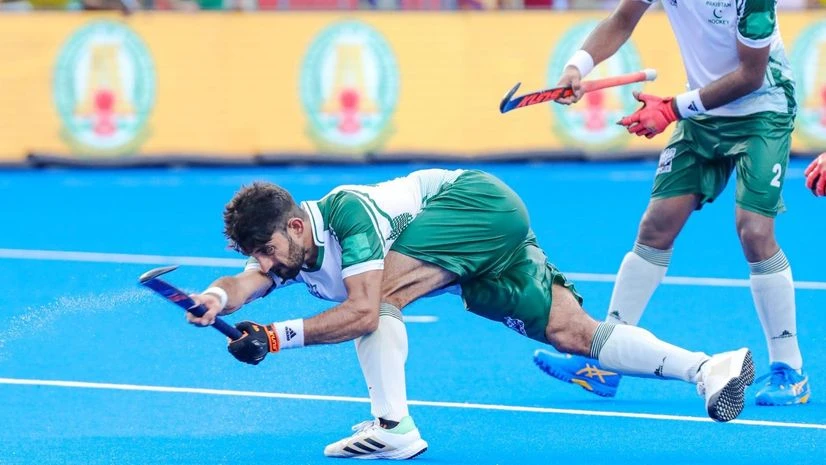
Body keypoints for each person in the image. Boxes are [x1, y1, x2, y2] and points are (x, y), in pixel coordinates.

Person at [187, 169, 754, 460]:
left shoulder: (345, 216)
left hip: (473, 205)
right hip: (479, 242)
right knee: (572, 332)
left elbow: (361, 314)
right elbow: (243, 284)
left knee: (379, 301)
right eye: (256, 255)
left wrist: (274, 337)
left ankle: (393, 429)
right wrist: (215, 299)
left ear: (294, 226)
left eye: (267, 250)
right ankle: (708, 368)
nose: (266, 263)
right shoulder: (287, 251)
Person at [535, 0, 809, 407]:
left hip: (763, 111)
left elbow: (751, 77)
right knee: (656, 226)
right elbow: (621, 19)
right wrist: (577, 66)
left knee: (754, 231)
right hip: (703, 115)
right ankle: (605, 358)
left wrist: (671, 109)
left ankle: (789, 368)